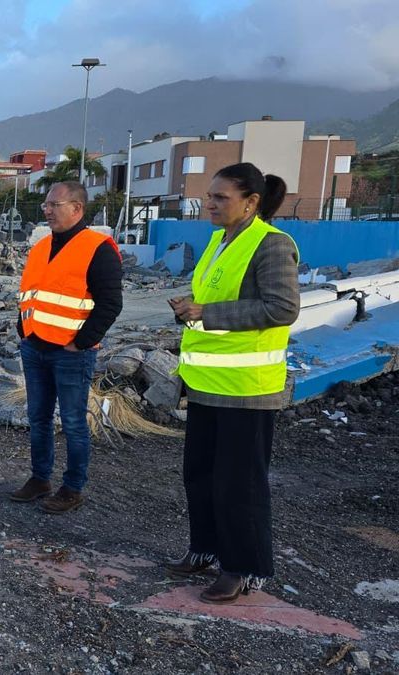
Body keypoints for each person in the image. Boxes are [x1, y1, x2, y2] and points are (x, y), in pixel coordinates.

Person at [164, 162, 299, 604]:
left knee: (238, 484)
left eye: (221, 197)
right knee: (200, 475)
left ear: (251, 202)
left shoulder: (271, 245)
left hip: (247, 389)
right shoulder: (219, 241)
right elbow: (215, 299)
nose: (210, 204)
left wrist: (207, 313)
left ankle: (242, 567)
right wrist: (190, 307)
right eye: (209, 196)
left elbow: (282, 308)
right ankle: (204, 549)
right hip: (206, 382)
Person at [9, 181, 123, 514]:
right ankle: (40, 478)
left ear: (77, 208)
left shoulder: (98, 248)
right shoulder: (41, 247)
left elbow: (110, 304)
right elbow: (30, 293)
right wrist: (23, 329)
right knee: (39, 417)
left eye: (53, 205)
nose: (46, 210)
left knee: (73, 422)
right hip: (35, 347)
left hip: (71, 353)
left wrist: (80, 343)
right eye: (46, 205)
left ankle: (72, 488)